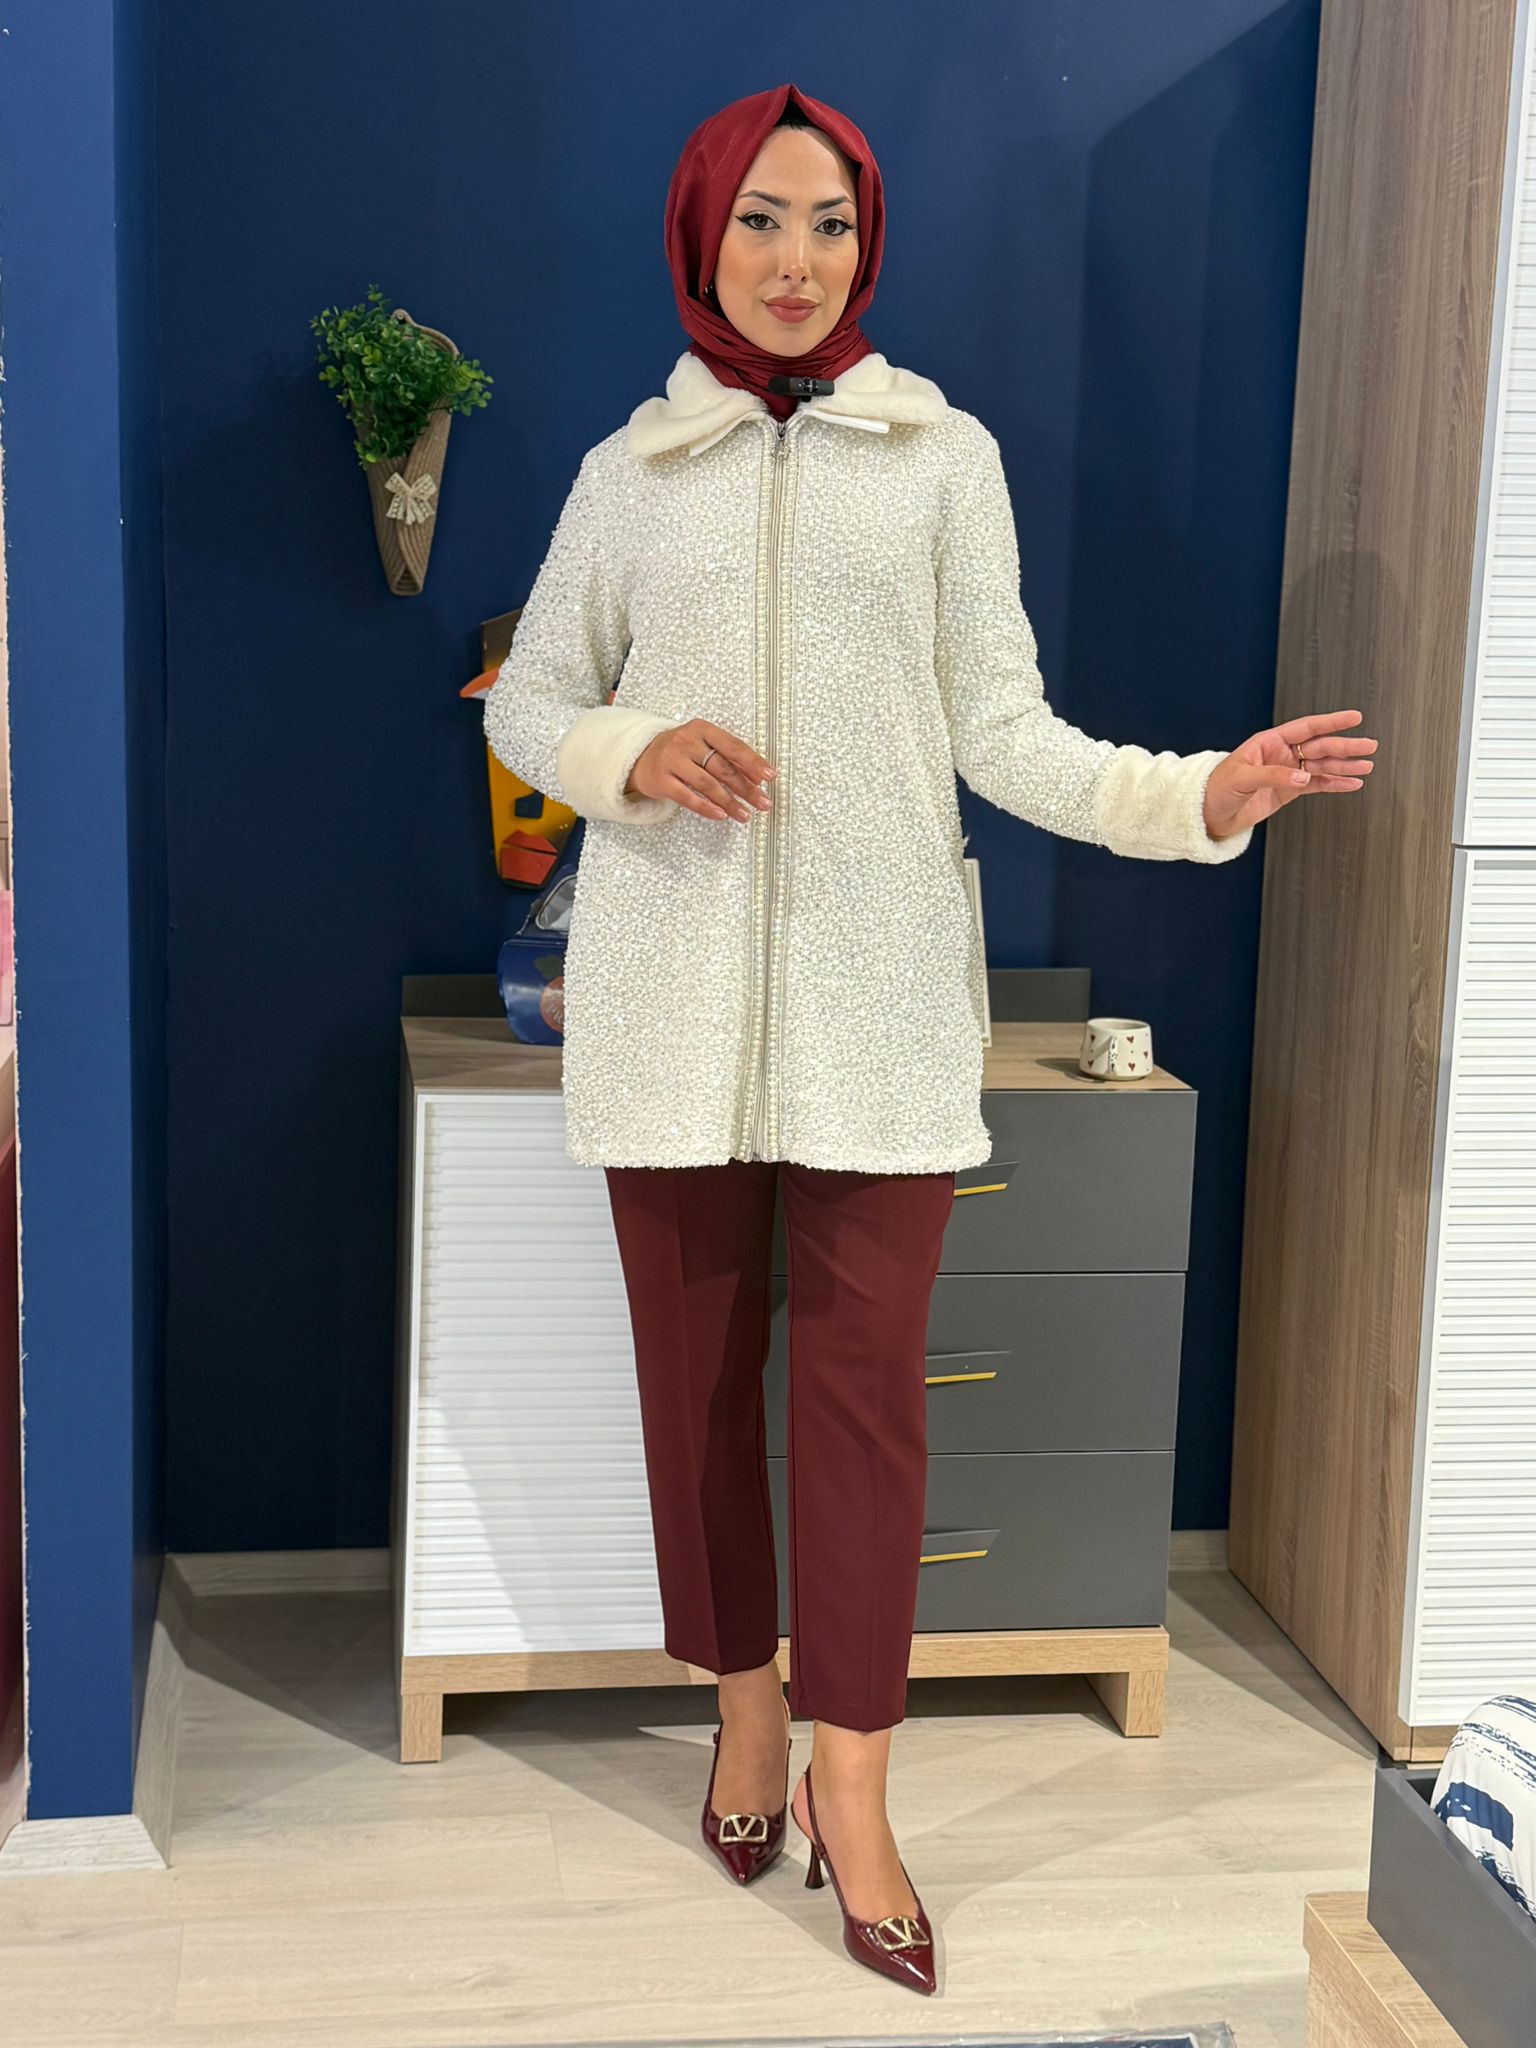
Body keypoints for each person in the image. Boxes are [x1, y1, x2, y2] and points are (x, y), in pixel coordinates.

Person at [483, 81, 1376, 1993]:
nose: (795, 261)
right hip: (669, 1014)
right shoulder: (630, 473)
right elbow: (526, 700)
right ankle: (743, 1721)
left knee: (864, 1411)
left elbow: (1008, 731)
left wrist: (1202, 794)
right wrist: (632, 749)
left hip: (880, 1015)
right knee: (694, 1398)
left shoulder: (940, 459)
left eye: (829, 225)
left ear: (867, 244)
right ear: (701, 234)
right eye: (760, 222)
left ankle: (859, 1789)